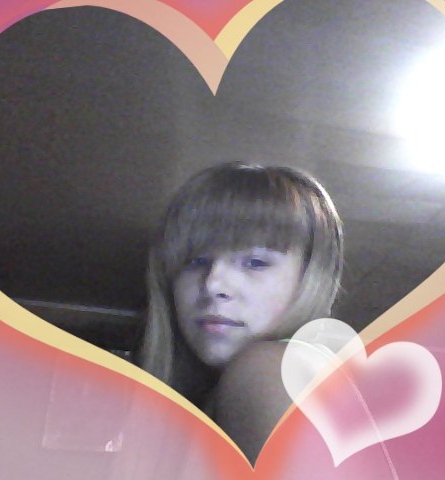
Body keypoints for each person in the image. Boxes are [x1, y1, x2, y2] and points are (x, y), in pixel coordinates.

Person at [138, 161, 343, 462]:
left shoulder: (269, 369)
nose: (213, 284)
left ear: (309, 277)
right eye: (195, 261)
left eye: (255, 263)